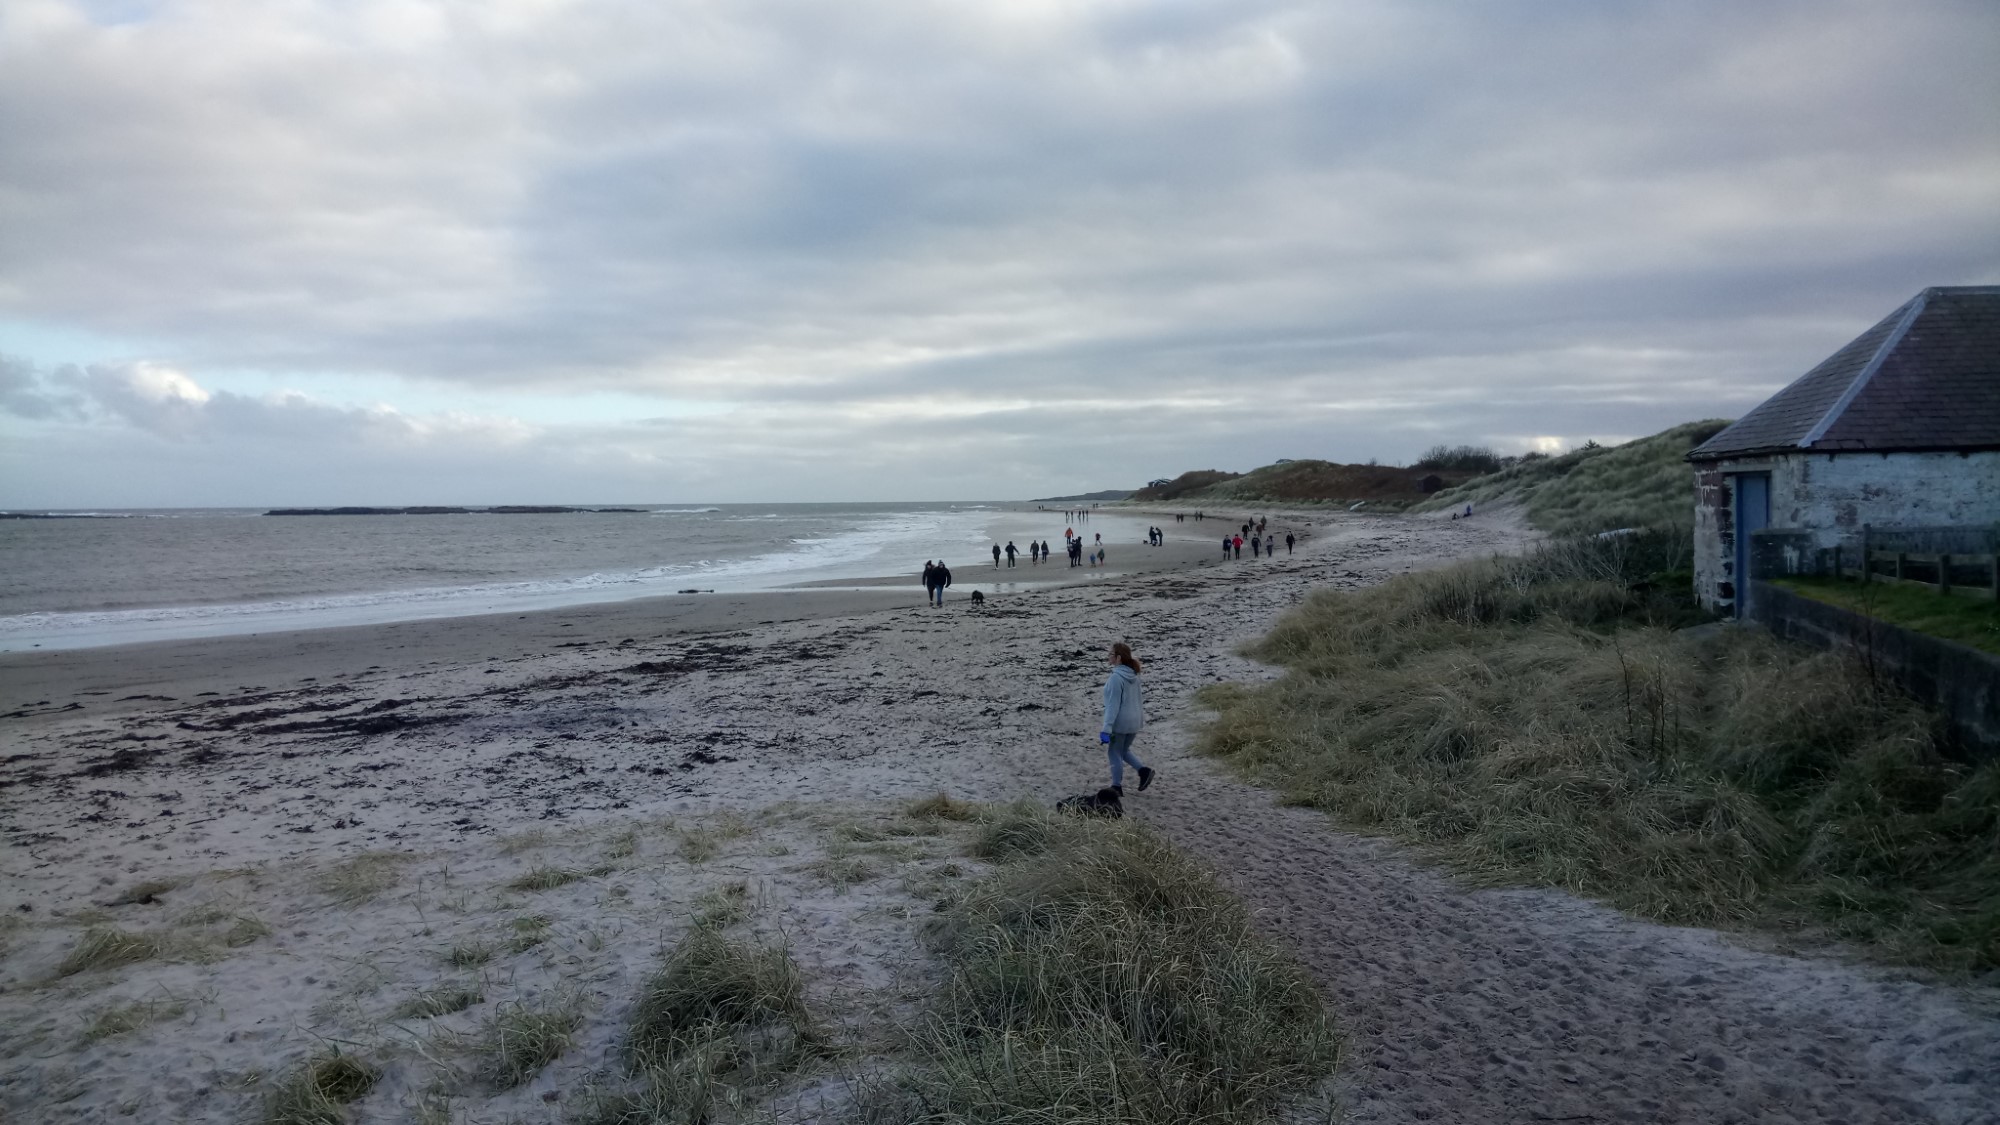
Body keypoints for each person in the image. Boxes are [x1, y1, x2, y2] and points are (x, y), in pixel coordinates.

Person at [1100, 642, 1154, 794]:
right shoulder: (1134, 675)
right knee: (1123, 750)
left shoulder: (1116, 678)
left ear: (1118, 658)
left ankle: (1116, 786)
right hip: (1135, 721)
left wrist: (1106, 728)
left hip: (1121, 724)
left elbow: (1113, 706)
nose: (1108, 657)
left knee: (1114, 752)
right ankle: (1144, 771)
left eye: (1111, 654)